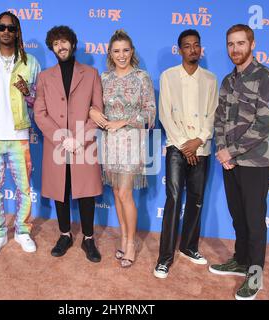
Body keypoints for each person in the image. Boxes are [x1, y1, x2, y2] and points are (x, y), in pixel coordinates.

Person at [209, 24, 269, 300]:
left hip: (255, 162)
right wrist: (222, 150)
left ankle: (255, 273)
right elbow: (219, 119)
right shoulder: (228, 81)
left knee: (253, 219)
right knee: (238, 215)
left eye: (240, 43)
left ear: (252, 44)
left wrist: (232, 152)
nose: (235, 49)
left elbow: (264, 123)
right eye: (230, 44)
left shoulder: (267, 77)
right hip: (230, 161)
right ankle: (240, 260)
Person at [33, 26, 103, 263]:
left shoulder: (91, 74)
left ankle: (89, 238)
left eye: (64, 42)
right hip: (57, 144)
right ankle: (65, 235)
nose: (60, 46)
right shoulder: (44, 77)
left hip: (84, 144)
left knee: (86, 193)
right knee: (60, 191)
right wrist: (62, 138)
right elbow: (39, 113)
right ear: (52, 47)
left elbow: (98, 112)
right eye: (55, 43)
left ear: (72, 44)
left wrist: (79, 138)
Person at [153, 29, 218, 279]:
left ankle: (189, 247)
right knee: (173, 200)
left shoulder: (211, 79)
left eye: (196, 45)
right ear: (179, 50)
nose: (193, 49)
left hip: (202, 148)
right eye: (187, 46)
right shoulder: (168, 77)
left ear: (201, 49)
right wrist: (184, 144)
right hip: (176, 148)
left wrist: (199, 140)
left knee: (197, 198)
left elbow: (213, 114)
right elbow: (165, 114)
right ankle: (164, 258)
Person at [89, 29, 156, 267]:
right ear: (109, 53)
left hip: (132, 141)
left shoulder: (141, 77)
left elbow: (150, 112)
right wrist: (93, 112)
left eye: (125, 50)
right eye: (116, 51)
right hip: (109, 142)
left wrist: (124, 121)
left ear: (132, 52)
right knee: (117, 193)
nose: (121, 55)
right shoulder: (104, 78)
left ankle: (130, 244)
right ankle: (124, 237)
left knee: (126, 193)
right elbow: (92, 105)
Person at [0, 11, 41, 256]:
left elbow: (37, 101)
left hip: (19, 135)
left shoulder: (31, 62)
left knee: (24, 188)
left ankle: (23, 231)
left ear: (17, 32)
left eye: (11, 28)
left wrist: (28, 93)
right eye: (2, 27)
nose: (6, 32)